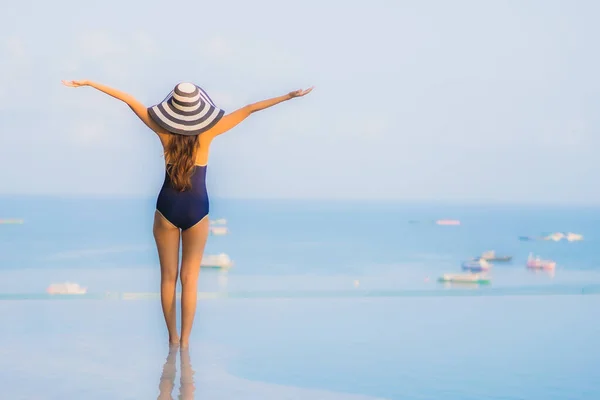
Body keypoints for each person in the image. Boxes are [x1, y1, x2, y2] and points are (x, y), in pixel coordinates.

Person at [62, 80, 313, 348]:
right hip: (197, 209)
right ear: (199, 109)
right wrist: (288, 95)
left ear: (172, 108)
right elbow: (250, 109)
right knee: (189, 279)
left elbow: (127, 98)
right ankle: (185, 343)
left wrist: (88, 83)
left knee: (168, 277)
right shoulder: (209, 133)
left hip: (167, 207)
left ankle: (172, 338)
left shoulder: (161, 129)